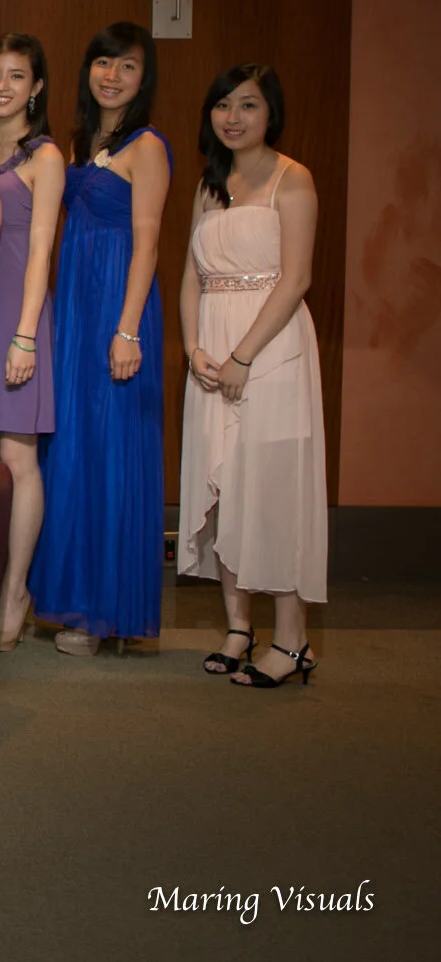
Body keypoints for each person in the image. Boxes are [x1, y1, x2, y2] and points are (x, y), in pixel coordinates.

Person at [178, 64, 327, 688]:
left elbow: (297, 279)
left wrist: (243, 356)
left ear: (271, 114)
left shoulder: (294, 179)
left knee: (273, 488)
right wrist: (194, 348)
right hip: (212, 355)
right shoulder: (209, 185)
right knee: (225, 488)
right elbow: (191, 277)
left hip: (270, 347)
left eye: (248, 105)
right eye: (223, 105)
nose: (233, 117)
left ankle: (293, 641)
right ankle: (239, 627)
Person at [29, 23, 172, 656]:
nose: (112, 76)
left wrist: (127, 329)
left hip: (119, 308)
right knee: (75, 448)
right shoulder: (81, 142)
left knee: (114, 451)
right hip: (76, 307)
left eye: (128, 66)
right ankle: (76, 599)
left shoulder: (148, 147)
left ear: (144, 79)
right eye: (103, 62)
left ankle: (106, 613)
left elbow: (148, 243)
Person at [0, 34, 64, 652]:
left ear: (36, 87)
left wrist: (26, 336)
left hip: (15, 315)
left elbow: (40, 252)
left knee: (17, 456)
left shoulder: (44, 155)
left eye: (16, 76)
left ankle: (15, 592)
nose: (2, 86)